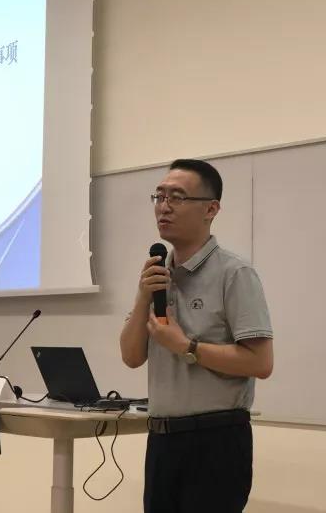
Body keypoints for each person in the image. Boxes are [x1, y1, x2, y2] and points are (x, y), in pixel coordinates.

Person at [120, 158, 274, 513]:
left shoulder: (234, 273)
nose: (164, 206)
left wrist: (186, 346)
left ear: (211, 209)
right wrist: (143, 296)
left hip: (215, 442)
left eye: (177, 197)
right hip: (162, 441)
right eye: (159, 196)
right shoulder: (157, 274)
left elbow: (261, 362)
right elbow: (131, 356)